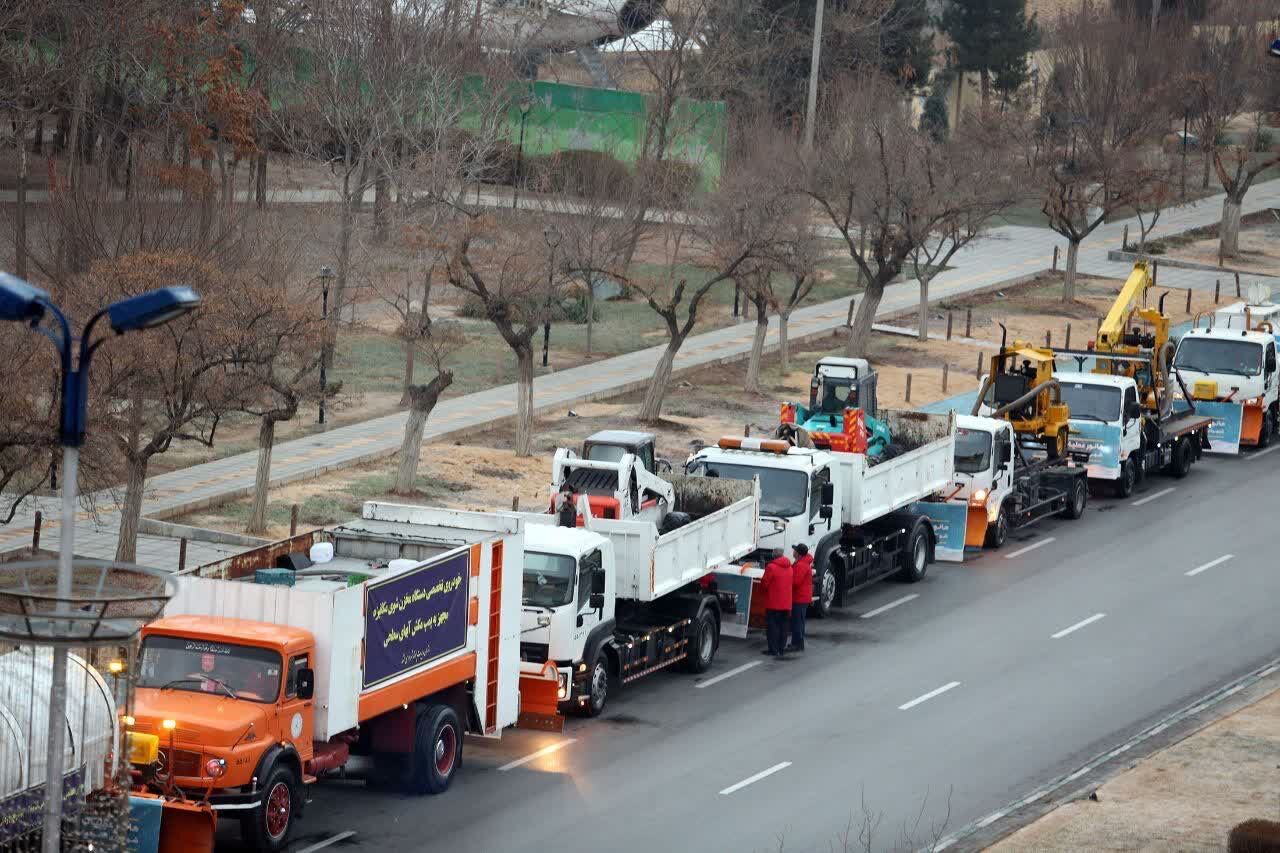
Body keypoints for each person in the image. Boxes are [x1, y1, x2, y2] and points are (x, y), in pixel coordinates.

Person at [760, 551, 792, 657]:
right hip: (786, 603)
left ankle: (773, 650)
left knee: (772, 627)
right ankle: (781, 648)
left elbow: (764, 583)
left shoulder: (771, 567)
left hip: (773, 602)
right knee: (784, 627)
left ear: (774, 556)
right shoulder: (790, 568)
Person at [789, 544, 813, 652]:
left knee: (797, 622)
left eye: (794, 550)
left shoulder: (801, 565)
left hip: (799, 597)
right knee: (799, 621)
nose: (793, 552)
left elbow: (795, 582)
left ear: (797, 553)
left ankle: (797, 644)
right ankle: (797, 642)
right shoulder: (802, 563)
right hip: (802, 597)